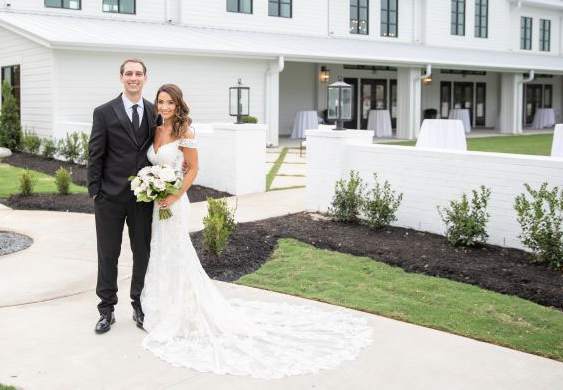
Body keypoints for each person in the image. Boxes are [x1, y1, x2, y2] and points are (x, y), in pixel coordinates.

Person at [140, 83, 373, 379]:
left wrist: (173, 195)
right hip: (156, 202)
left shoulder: (186, 132)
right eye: (160, 102)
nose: (164, 107)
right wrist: (152, 187)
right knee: (161, 252)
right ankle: (163, 305)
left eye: (169, 102)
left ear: (178, 104)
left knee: (177, 251)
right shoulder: (156, 129)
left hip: (174, 202)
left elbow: (193, 169)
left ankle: (182, 311)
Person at [87, 59, 157, 334]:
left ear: (145, 78)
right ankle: (106, 309)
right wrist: (96, 192)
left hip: (143, 199)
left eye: (138, 74)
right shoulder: (104, 112)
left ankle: (139, 305)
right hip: (110, 197)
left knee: (142, 253)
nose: (133, 78)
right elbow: (95, 153)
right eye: (129, 73)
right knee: (108, 254)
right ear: (121, 78)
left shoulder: (154, 112)